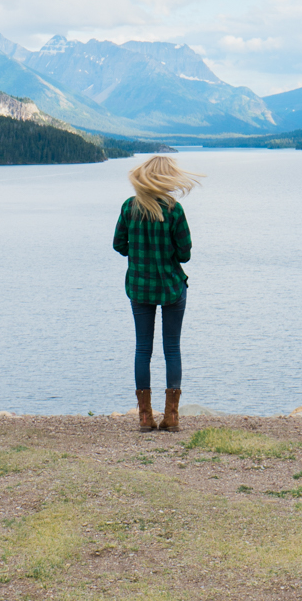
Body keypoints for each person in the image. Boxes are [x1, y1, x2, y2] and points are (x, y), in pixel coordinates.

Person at [112, 154, 201, 432]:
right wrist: (167, 253)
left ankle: (145, 418)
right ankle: (172, 417)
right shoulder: (174, 210)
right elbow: (185, 254)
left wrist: (138, 254)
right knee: (171, 349)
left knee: (143, 349)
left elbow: (119, 244)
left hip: (139, 286)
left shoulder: (130, 208)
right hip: (172, 286)